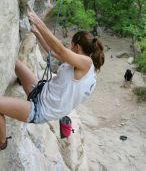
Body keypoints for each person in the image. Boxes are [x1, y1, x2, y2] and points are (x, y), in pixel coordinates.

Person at [0, 9, 104, 150]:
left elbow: (60, 50)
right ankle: (21, 83)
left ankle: (2, 142)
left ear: (77, 47)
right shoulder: (80, 64)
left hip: (38, 110)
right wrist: (36, 31)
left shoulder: (87, 64)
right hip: (39, 91)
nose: (69, 48)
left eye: (71, 46)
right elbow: (54, 52)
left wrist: (38, 21)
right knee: (15, 62)